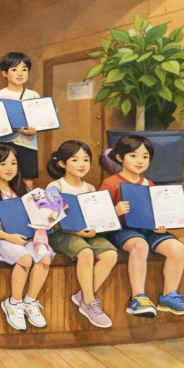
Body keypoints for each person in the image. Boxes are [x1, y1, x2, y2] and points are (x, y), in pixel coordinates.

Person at [100, 134, 184, 317]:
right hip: (122, 230)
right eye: (133, 156)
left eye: (145, 157)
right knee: (140, 245)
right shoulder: (111, 183)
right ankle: (138, 298)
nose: (140, 161)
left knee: (177, 248)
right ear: (120, 157)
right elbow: (99, 217)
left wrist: (160, 223)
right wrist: (115, 211)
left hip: (148, 229)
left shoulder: (149, 184)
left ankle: (168, 296)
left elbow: (155, 211)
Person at [0, 143, 51, 331]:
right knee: (25, 258)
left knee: (45, 257)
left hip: (22, 236)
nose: (10, 168)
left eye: (13, 163)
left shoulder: (21, 188)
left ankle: (30, 301)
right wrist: (9, 238)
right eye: (3, 164)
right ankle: (14, 302)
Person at [46, 140, 118, 328]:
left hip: (87, 233)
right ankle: (90, 302)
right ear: (62, 163)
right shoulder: (55, 187)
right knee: (85, 252)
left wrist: (96, 226)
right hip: (61, 234)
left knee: (110, 254)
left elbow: (95, 216)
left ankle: (83, 296)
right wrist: (72, 227)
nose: (82, 164)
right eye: (75, 160)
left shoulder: (90, 188)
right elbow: (50, 220)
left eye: (86, 160)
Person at [0, 52, 40, 189]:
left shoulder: (34, 95)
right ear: (4, 73)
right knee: (5, 179)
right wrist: (16, 129)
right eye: (14, 69)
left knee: (28, 178)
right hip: (5, 143)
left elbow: (39, 120)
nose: (20, 73)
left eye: (24, 69)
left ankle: (28, 202)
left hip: (29, 144)